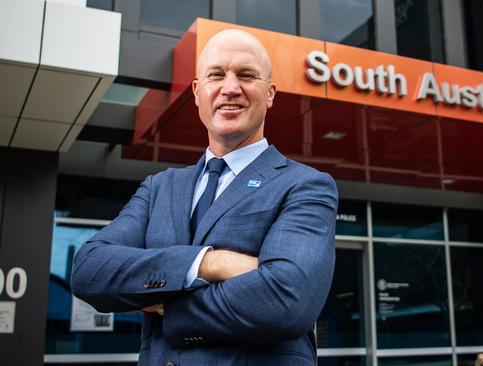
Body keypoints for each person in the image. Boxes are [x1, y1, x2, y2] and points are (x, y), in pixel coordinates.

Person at [70, 29, 338, 366]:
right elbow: (90, 271)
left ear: (270, 94)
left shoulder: (306, 186)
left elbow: (287, 301)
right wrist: (211, 263)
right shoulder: (159, 188)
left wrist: (168, 304)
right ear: (197, 92)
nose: (230, 88)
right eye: (216, 75)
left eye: (246, 75)